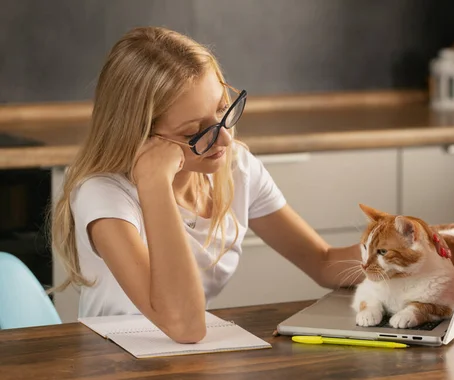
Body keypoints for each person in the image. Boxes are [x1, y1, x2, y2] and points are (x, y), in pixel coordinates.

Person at [50, 26, 361, 344]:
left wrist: (401, 254)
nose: (225, 138)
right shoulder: (103, 194)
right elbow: (184, 326)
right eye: (193, 132)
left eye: (221, 109)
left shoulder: (236, 167)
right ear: (141, 136)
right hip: (114, 359)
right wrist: (155, 182)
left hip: (188, 357)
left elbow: (322, 263)